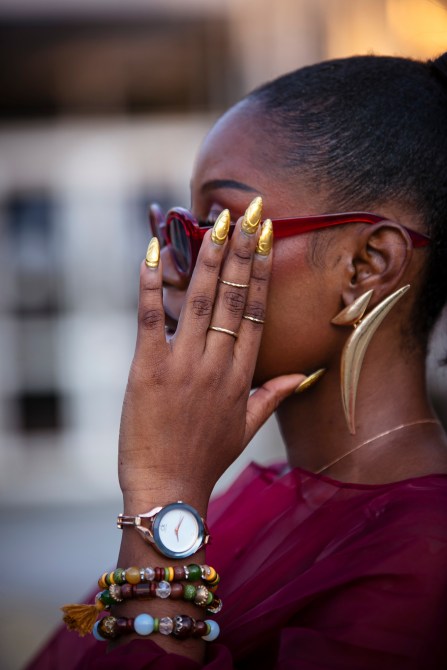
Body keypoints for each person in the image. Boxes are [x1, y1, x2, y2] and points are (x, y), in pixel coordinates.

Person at [27, 53, 447, 670]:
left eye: (214, 228)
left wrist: (163, 491)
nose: (172, 268)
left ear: (366, 267)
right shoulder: (240, 507)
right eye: (172, 227)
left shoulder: (424, 559)